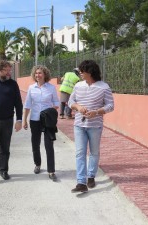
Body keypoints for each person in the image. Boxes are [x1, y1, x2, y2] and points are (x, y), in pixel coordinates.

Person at [68, 60, 114, 193]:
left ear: (90, 72)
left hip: (95, 125)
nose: (80, 73)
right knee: (80, 153)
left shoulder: (104, 87)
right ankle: (81, 182)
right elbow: (71, 101)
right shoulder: (78, 86)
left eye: (82, 71)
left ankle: (91, 176)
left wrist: (97, 112)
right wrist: (78, 107)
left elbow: (110, 106)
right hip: (79, 124)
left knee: (94, 152)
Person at [23, 65, 60, 181]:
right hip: (34, 119)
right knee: (35, 143)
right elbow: (27, 104)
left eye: (40, 73)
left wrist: (51, 110)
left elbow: (56, 103)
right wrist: (24, 120)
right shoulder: (31, 88)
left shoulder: (51, 88)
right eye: (36, 73)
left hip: (47, 120)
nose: (37, 75)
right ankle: (37, 164)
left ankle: (51, 170)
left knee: (49, 145)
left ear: (45, 75)